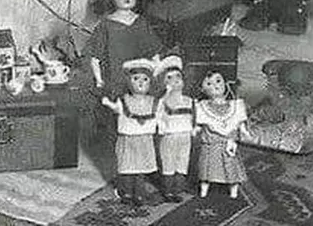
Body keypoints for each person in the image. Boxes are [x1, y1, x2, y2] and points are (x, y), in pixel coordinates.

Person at [85, 0, 163, 98]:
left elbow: (154, 51)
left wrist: (158, 71)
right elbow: (95, 57)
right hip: (115, 82)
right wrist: (99, 80)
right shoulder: (106, 25)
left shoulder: (141, 22)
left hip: (141, 80)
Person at [101, 58, 159, 208]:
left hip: (144, 138)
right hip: (128, 137)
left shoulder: (153, 101)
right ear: (128, 82)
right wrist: (109, 104)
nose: (140, 82)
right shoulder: (124, 100)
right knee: (127, 166)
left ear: (150, 83)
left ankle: (139, 192)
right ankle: (126, 192)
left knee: (140, 167)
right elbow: (117, 109)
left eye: (145, 79)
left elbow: (160, 115)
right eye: (136, 79)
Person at [193, 70, 252, 199]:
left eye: (218, 81)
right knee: (207, 169)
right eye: (209, 83)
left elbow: (239, 122)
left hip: (228, 142)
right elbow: (198, 125)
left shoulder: (235, 106)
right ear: (202, 89)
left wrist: (243, 130)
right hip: (211, 144)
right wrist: (195, 130)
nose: (215, 85)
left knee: (231, 166)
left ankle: (233, 189)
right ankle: (204, 189)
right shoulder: (202, 107)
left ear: (225, 83)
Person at [154, 55, 194, 202]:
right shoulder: (163, 101)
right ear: (164, 83)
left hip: (185, 135)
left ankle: (179, 186)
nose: (175, 80)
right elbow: (158, 117)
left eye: (178, 76)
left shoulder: (189, 101)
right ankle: (168, 190)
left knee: (183, 161)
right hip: (170, 136)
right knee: (168, 162)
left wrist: (194, 128)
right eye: (169, 78)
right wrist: (163, 129)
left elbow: (193, 116)